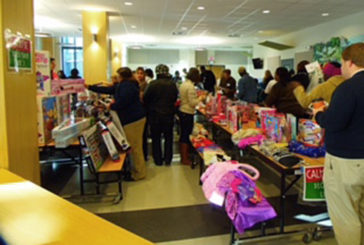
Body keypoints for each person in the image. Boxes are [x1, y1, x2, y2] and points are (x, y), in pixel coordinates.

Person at [314, 43, 364, 245]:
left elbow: (334, 123)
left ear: (350, 62)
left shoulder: (347, 88)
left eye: (343, 63)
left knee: (346, 215)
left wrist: (319, 115)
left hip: (346, 162)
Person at [88, 67, 146, 181]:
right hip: (135, 118)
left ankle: (139, 173)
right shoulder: (126, 85)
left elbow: (123, 102)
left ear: (122, 76)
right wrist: (90, 87)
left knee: (135, 147)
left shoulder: (127, 86)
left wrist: (111, 106)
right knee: (135, 145)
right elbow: (111, 90)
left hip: (133, 119)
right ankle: (136, 170)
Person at [143, 64, 178, 166]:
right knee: (168, 138)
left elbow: (145, 98)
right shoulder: (172, 84)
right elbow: (175, 98)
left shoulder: (152, 84)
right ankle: (168, 159)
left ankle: (158, 160)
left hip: (155, 115)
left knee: (156, 139)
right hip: (168, 114)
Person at [178, 68, 201, 165]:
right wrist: (200, 98)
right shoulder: (191, 87)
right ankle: (184, 158)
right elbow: (192, 103)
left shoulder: (183, 84)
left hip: (182, 111)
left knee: (183, 134)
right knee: (186, 135)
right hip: (187, 112)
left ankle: (184, 156)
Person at [135, 67, 149, 161]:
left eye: (141, 73)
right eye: (138, 73)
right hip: (138, 112)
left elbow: (143, 98)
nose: (139, 75)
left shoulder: (145, 85)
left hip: (143, 112)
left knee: (143, 136)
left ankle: (144, 155)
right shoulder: (136, 85)